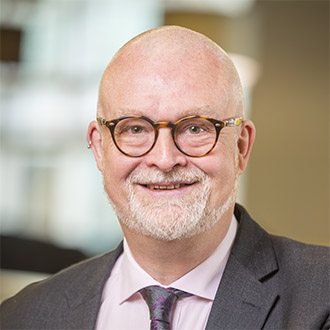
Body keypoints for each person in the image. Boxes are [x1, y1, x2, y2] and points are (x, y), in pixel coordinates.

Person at [1, 25, 329, 330]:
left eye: (196, 128)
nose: (164, 159)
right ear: (99, 148)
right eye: (134, 129)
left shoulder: (321, 298)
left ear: (241, 146)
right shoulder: (24, 316)